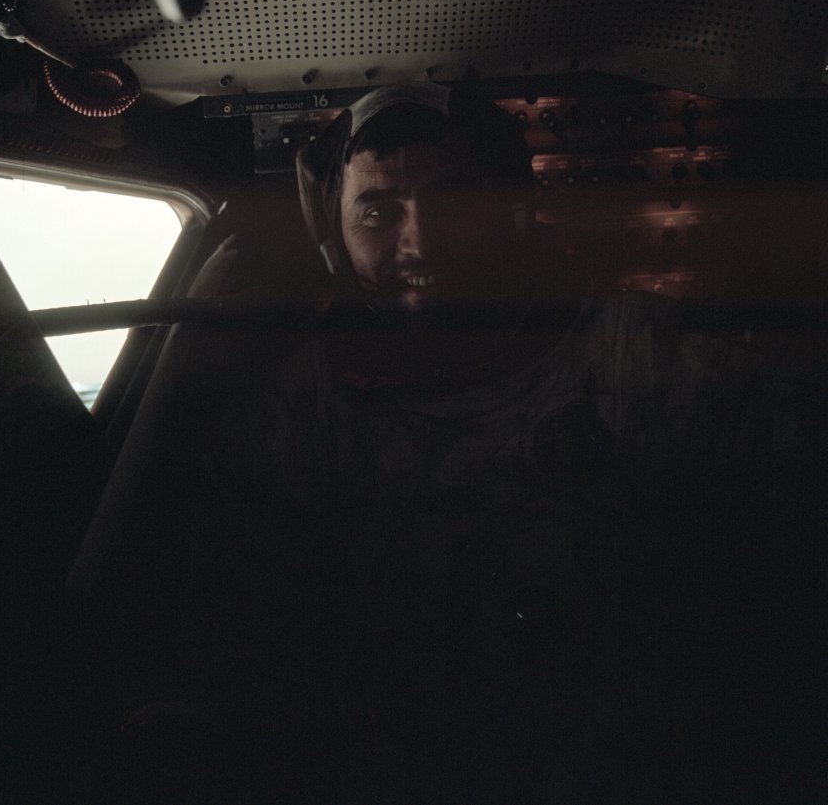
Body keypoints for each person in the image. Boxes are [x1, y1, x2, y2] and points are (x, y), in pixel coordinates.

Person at [74, 83, 826, 805]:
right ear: (334, 232)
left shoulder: (649, 359)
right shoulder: (306, 406)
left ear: (513, 211)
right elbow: (232, 608)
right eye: (378, 211)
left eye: (453, 200)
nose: (418, 240)